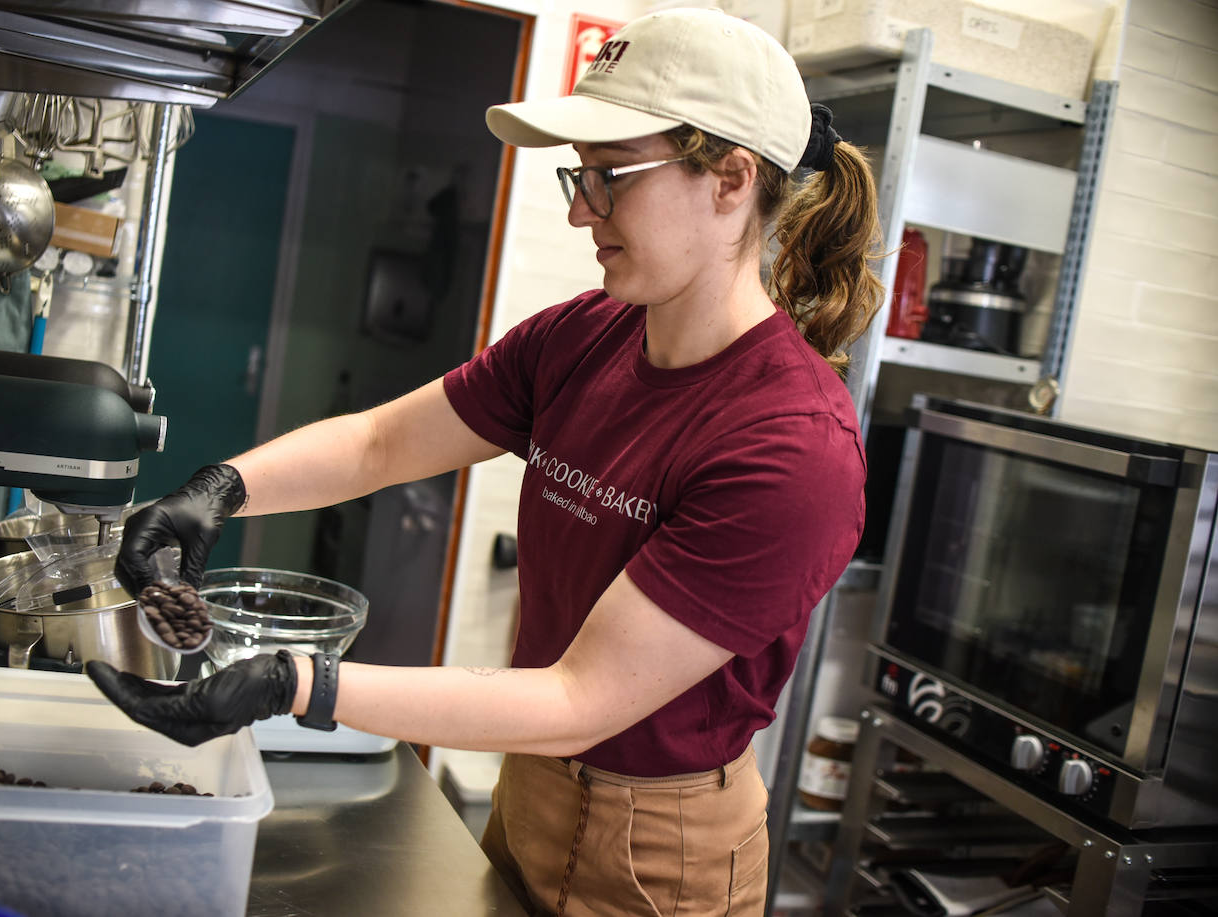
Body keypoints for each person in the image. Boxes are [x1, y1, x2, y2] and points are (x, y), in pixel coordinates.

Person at [88, 8, 882, 914]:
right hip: (533, 780)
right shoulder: (588, 335)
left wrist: (293, 680)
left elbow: (584, 696)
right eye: (578, 176)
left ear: (731, 179)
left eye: (611, 176)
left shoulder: (792, 446)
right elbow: (383, 441)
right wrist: (218, 488)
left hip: (661, 846)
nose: (583, 207)